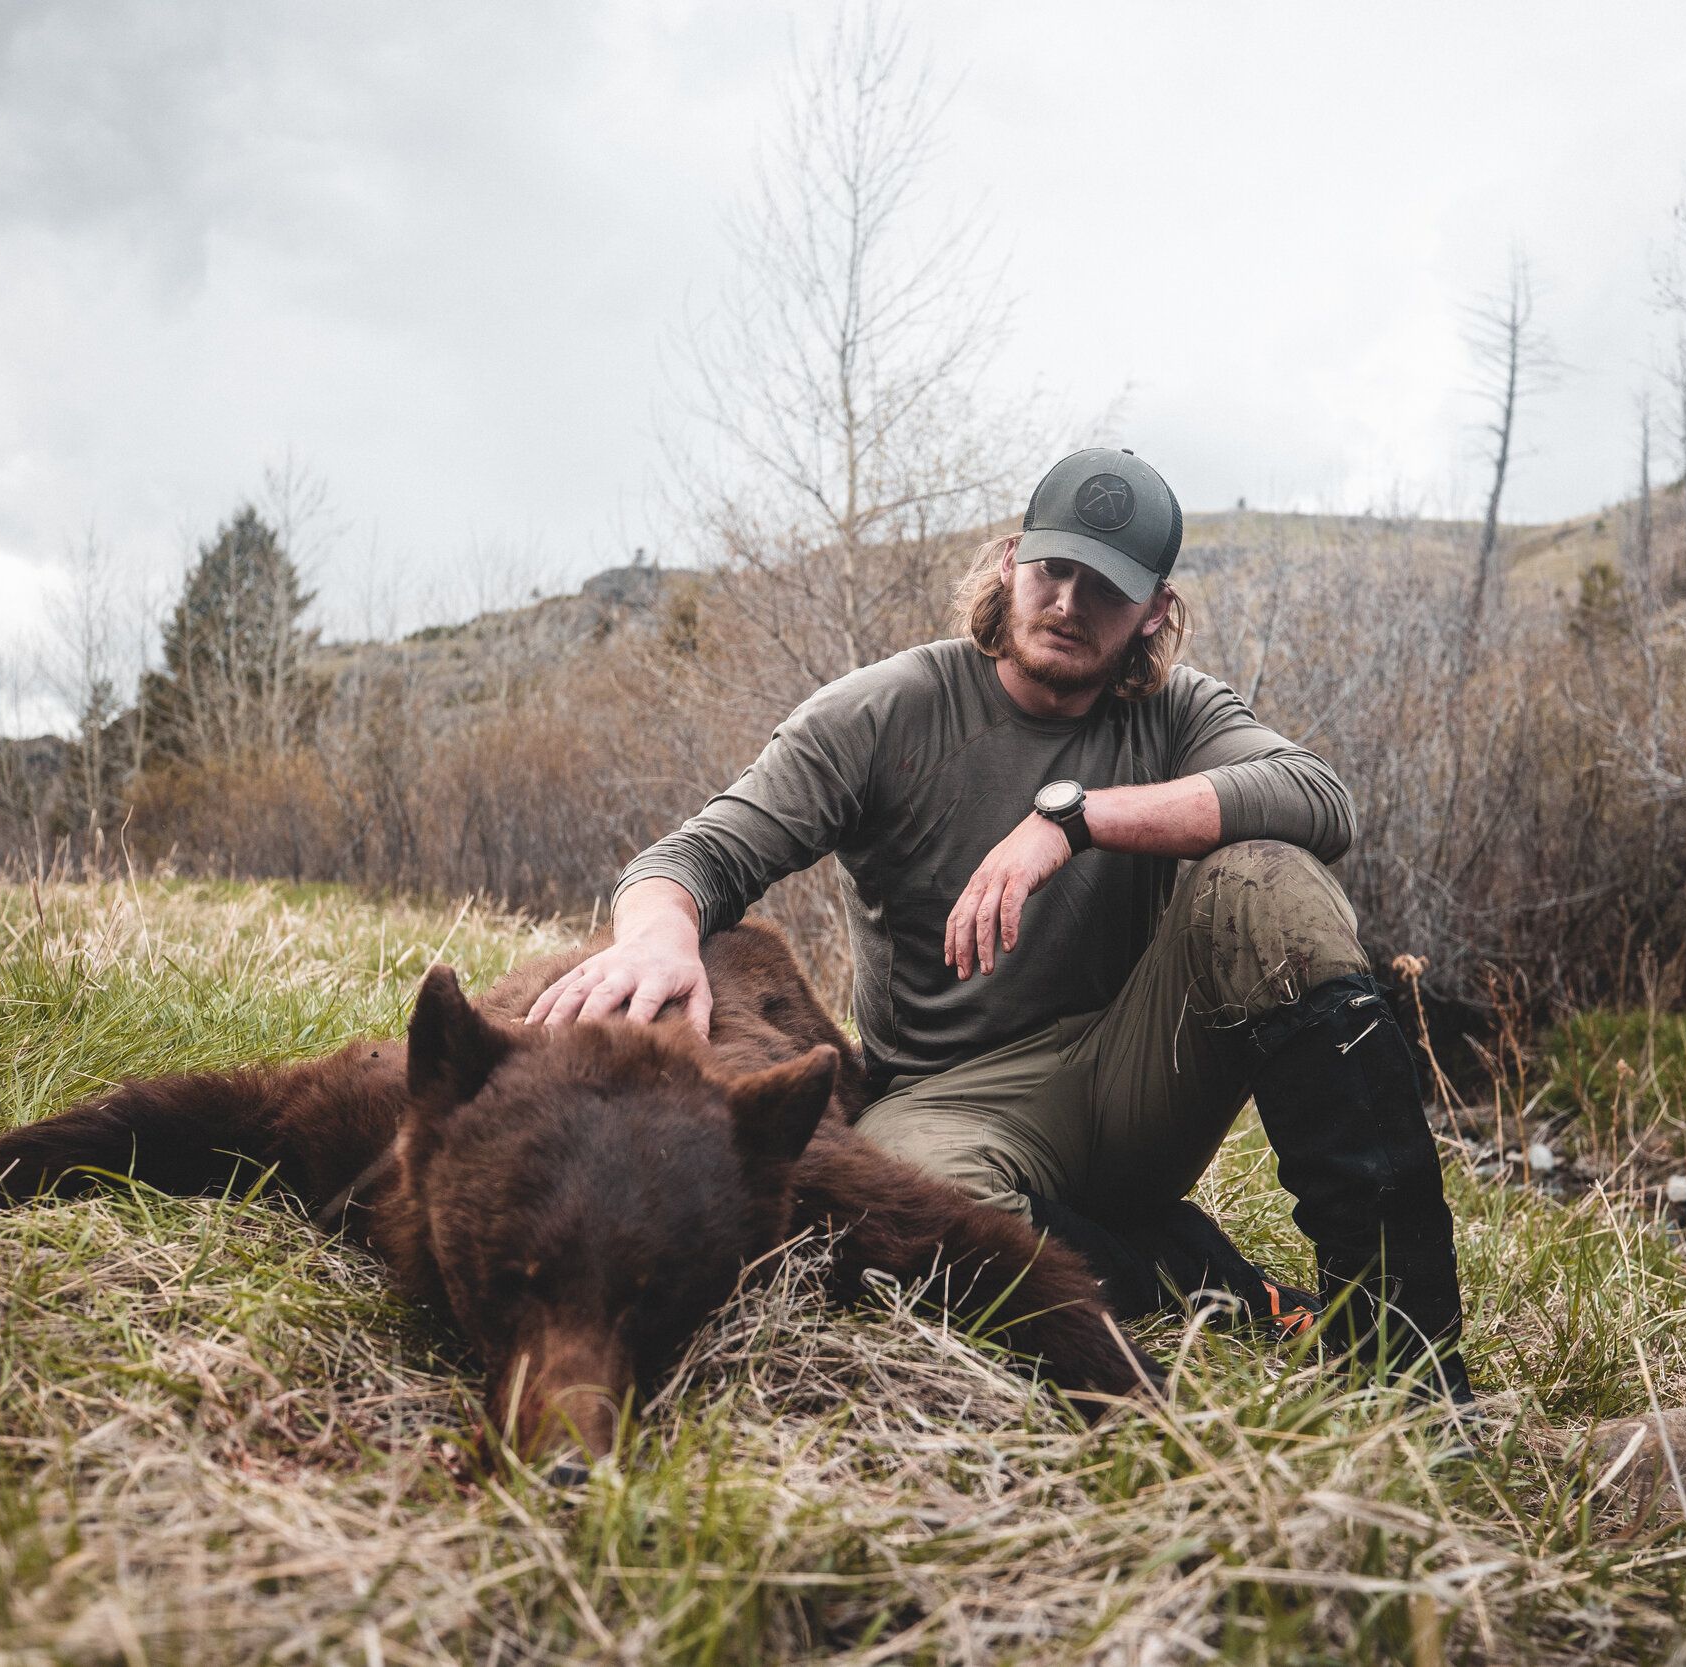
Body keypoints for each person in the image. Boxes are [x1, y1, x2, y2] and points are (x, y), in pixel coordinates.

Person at [527, 448, 1469, 1398]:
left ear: (1155, 612)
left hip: (1134, 1075)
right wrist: (658, 934)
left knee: (1267, 875)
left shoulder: (1177, 712)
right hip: (953, 1101)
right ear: (1011, 558)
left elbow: (1320, 800)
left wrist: (1075, 819)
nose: (1067, 601)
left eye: (1106, 588)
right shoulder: (885, 711)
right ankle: (1183, 1271)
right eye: (1052, 568)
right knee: (894, 1193)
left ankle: (1409, 1359)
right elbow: (692, 858)